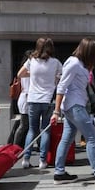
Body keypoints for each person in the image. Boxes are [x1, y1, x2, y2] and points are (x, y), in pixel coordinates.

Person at [51, 38, 95, 186]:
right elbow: (62, 87)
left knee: (67, 139)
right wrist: (56, 112)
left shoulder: (79, 64)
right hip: (75, 106)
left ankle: (59, 172)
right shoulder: (74, 63)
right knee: (92, 138)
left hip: (74, 106)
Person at [18, 38, 62, 169]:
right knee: (45, 131)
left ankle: (26, 159)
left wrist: (33, 74)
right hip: (47, 100)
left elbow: (20, 74)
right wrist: (54, 79)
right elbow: (62, 76)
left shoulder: (31, 61)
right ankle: (42, 161)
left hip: (32, 99)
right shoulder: (55, 62)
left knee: (32, 129)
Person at [12, 50, 32, 148]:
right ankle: (15, 146)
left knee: (24, 124)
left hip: (26, 98)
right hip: (26, 98)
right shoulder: (27, 72)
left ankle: (16, 144)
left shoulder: (24, 71)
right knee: (24, 125)